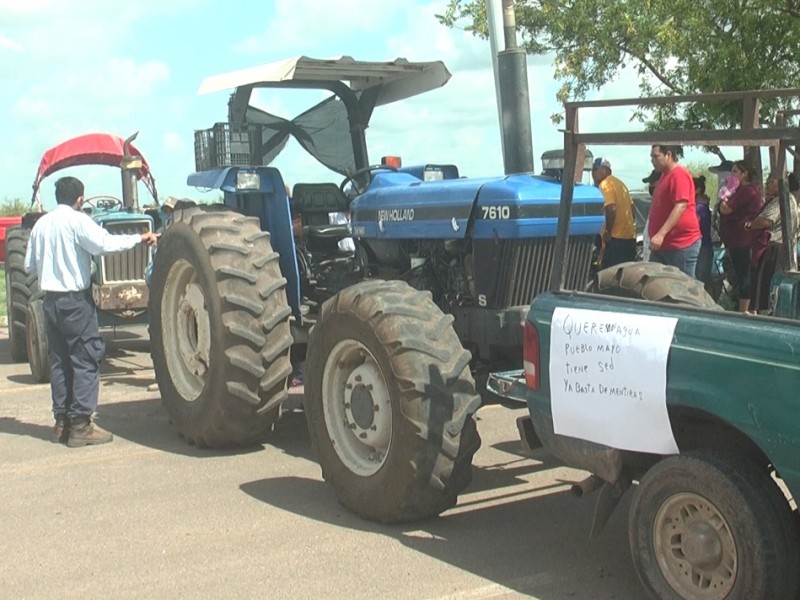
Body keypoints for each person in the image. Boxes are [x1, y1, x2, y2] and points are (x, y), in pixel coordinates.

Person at [24, 176, 158, 446]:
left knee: (60, 361)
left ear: (57, 196)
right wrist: (139, 238)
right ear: (80, 199)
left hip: (51, 302)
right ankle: (81, 425)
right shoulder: (78, 220)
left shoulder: (41, 225)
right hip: (75, 302)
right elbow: (104, 245)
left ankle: (61, 422)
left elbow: (29, 266)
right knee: (86, 358)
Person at [747, 173, 799, 312]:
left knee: (768, 286)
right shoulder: (790, 199)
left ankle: (765, 314)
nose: (768, 183)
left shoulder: (781, 199)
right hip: (784, 248)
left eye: (772, 181)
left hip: (776, 249)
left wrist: (749, 225)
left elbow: (765, 221)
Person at [647, 145, 701, 276]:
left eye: (656, 156)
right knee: (655, 289)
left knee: (683, 292)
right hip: (662, 247)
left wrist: (660, 234)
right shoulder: (664, 177)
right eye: (651, 157)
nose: (652, 160)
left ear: (668, 155)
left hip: (680, 245)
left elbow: (681, 205)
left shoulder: (679, 175)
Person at [719, 160, 763, 312]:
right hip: (734, 240)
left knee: (744, 275)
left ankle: (745, 310)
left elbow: (726, 209)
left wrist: (724, 198)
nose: (733, 175)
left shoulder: (748, 191)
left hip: (743, 240)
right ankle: (743, 308)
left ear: (745, 174)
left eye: (736, 171)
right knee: (739, 275)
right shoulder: (739, 190)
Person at [591, 157, 637, 268]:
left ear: (605, 170)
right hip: (630, 239)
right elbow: (632, 208)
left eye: (595, 170)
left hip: (616, 240)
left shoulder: (605, 184)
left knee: (610, 277)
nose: (593, 174)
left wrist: (607, 232)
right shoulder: (621, 184)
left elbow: (611, 208)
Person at [693, 176, 713, 291]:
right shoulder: (695, 206)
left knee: (701, 279)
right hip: (699, 247)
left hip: (702, 247)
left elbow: (697, 224)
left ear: (697, 190)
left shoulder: (700, 208)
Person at [640, 169, 661, 261]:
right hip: (648, 252)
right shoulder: (655, 202)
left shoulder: (663, 203)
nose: (651, 186)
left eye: (653, 182)